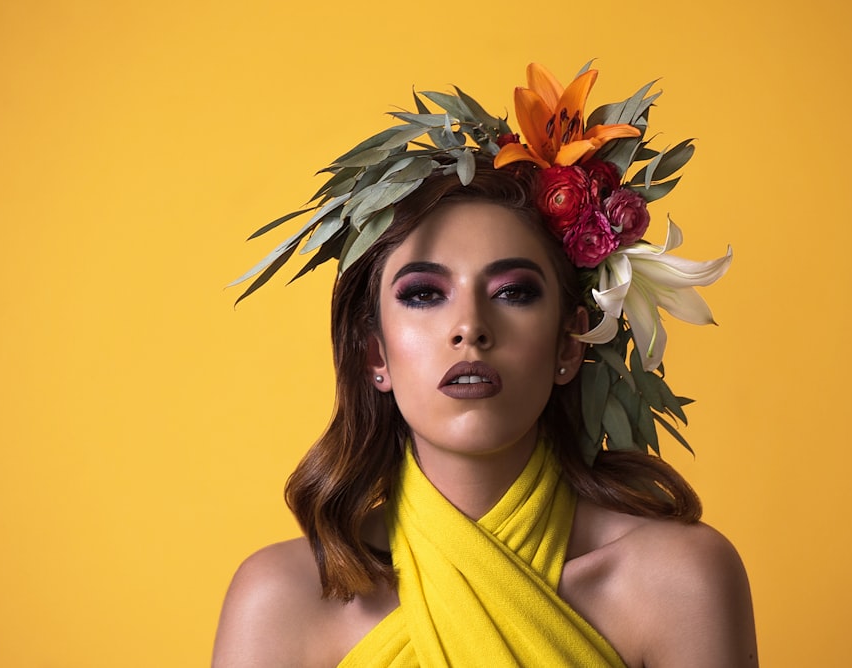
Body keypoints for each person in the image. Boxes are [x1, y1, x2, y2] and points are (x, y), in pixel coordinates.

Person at [214, 63, 757, 667]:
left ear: (567, 347)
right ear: (375, 355)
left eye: (513, 292)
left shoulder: (679, 582)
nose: (469, 326)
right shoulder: (279, 602)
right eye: (424, 293)